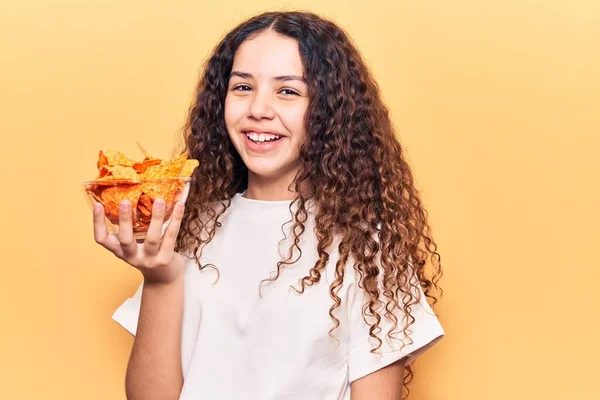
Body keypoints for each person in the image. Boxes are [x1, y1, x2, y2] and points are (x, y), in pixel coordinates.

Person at [95, 10, 445, 400]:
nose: (258, 109)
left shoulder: (366, 248)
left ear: (329, 110)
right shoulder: (187, 226)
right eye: (242, 87)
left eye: (288, 91)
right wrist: (160, 278)